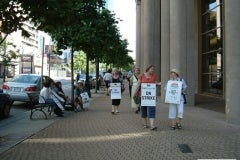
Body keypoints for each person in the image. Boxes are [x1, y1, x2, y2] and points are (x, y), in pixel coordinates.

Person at [137, 64, 161, 130]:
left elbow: (156, 83)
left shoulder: (154, 76)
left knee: (152, 109)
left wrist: (158, 84)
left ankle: (152, 125)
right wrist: (135, 93)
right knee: (143, 109)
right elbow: (138, 84)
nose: (153, 70)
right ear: (148, 69)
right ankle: (145, 124)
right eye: (152, 69)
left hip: (152, 96)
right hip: (143, 96)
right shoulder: (141, 75)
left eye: (153, 69)